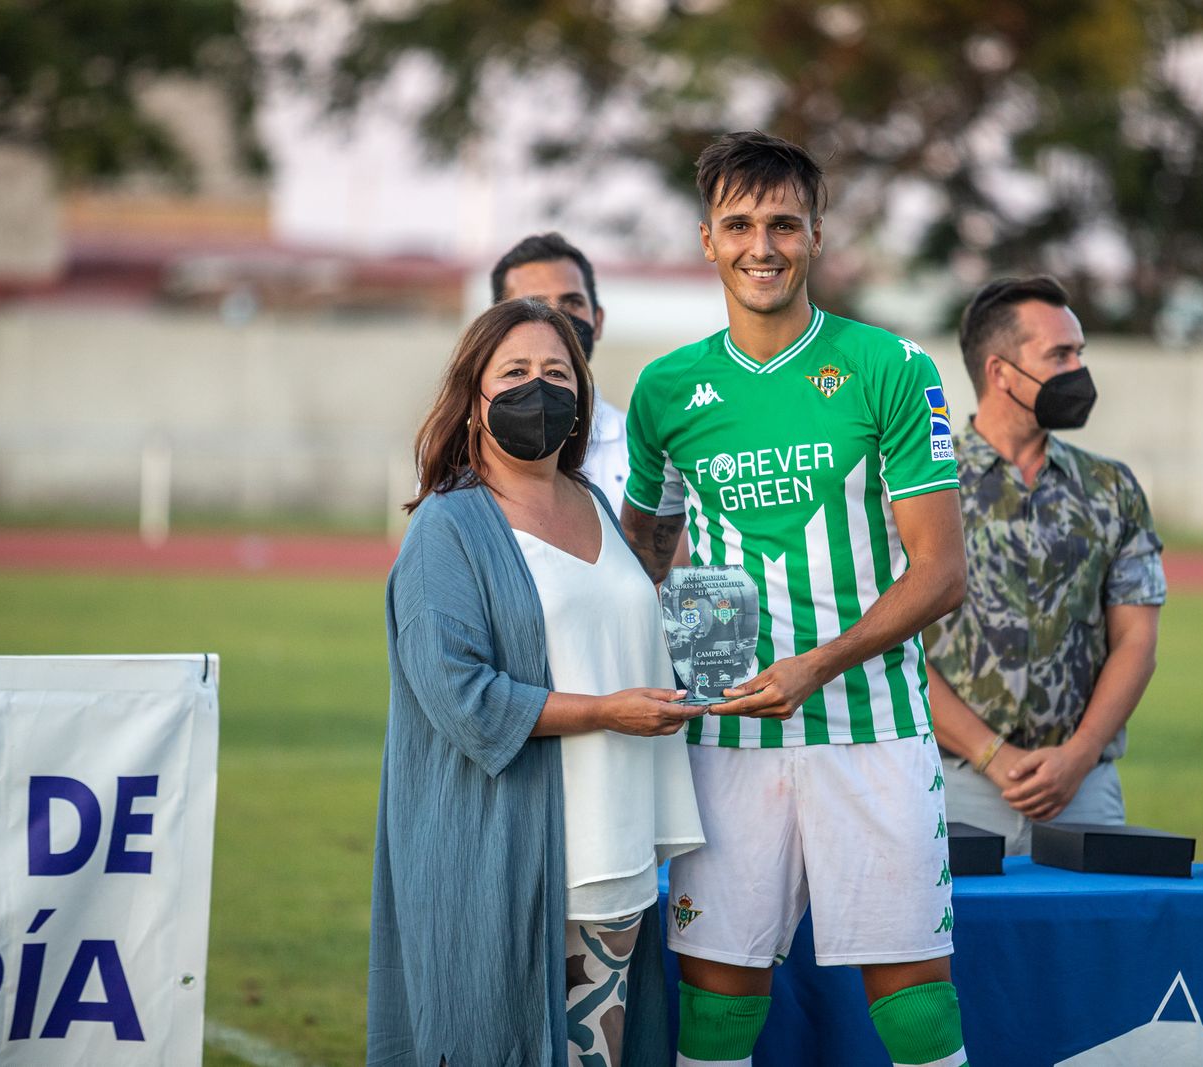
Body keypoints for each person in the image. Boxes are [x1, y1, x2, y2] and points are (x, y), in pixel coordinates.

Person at [619, 131, 972, 1067]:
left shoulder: (891, 367)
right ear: (706, 239)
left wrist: (817, 664)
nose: (761, 245)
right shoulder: (665, 389)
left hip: (873, 724)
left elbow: (941, 570)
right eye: (738, 224)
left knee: (916, 1005)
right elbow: (637, 554)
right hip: (727, 734)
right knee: (719, 1005)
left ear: (818, 234)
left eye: (783, 223)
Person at [368, 298, 706, 1067]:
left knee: (604, 1054)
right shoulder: (446, 529)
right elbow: (462, 694)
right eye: (515, 372)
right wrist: (606, 712)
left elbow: (628, 641)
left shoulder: (593, 502)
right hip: (515, 853)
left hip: (618, 850)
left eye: (558, 373)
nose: (540, 388)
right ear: (473, 395)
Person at [925, 275, 1167, 856]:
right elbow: (888, 645)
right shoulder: (920, 488)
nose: (1077, 371)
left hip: (1083, 791)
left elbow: (1136, 640)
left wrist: (1079, 756)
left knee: (1090, 946)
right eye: (1059, 354)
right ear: (1000, 372)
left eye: (1079, 353)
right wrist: (993, 756)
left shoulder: (1113, 488)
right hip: (951, 788)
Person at [491, 232, 630, 508]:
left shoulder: (640, 449)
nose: (557, 319)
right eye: (535, 305)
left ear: (598, 320)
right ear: (497, 326)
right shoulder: (459, 453)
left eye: (572, 303)